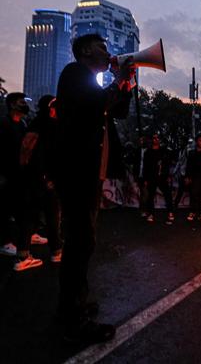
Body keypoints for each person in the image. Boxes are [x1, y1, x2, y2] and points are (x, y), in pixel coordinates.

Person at [55, 33, 135, 344]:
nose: (108, 50)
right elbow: (98, 105)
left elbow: (118, 111)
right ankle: (75, 321)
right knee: (80, 242)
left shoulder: (91, 85)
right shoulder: (74, 74)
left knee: (81, 241)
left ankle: (70, 306)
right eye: (102, 46)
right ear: (85, 50)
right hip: (78, 172)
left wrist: (125, 84)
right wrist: (117, 79)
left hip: (88, 173)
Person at [15, 95, 63, 270]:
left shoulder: (33, 124)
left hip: (29, 177)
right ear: (52, 109)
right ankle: (57, 252)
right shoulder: (53, 126)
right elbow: (57, 155)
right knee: (52, 216)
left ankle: (22, 257)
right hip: (47, 178)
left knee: (29, 216)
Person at [0, 93, 30, 258]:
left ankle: (21, 238)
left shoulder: (22, 124)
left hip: (19, 174)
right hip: (7, 173)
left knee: (19, 207)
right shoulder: (4, 124)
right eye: (21, 103)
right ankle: (4, 242)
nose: (24, 105)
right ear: (12, 105)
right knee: (4, 208)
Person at [144, 134, 175, 223]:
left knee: (167, 194)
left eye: (158, 138)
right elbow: (146, 166)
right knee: (151, 196)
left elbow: (166, 164)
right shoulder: (148, 152)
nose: (157, 139)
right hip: (152, 177)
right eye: (154, 138)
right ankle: (151, 214)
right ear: (151, 140)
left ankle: (170, 212)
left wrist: (168, 176)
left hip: (162, 176)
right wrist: (146, 178)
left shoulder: (163, 151)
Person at [133, 136, 150, 216]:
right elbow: (135, 163)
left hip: (146, 175)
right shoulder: (138, 151)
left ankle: (143, 209)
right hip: (140, 175)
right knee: (143, 192)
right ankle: (143, 208)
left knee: (144, 192)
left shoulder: (149, 151)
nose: (142, 142)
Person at [173, 136, 189, 209]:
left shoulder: (187, 151)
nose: (180, 143)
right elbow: (179, 163)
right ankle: (175, 204)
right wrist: (174, 172)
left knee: (185, 190)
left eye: (181, 141)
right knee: (181, 189)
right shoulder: (181, 152)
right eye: (179, 141)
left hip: (187, 174)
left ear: (185, 143)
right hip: (182, 174)